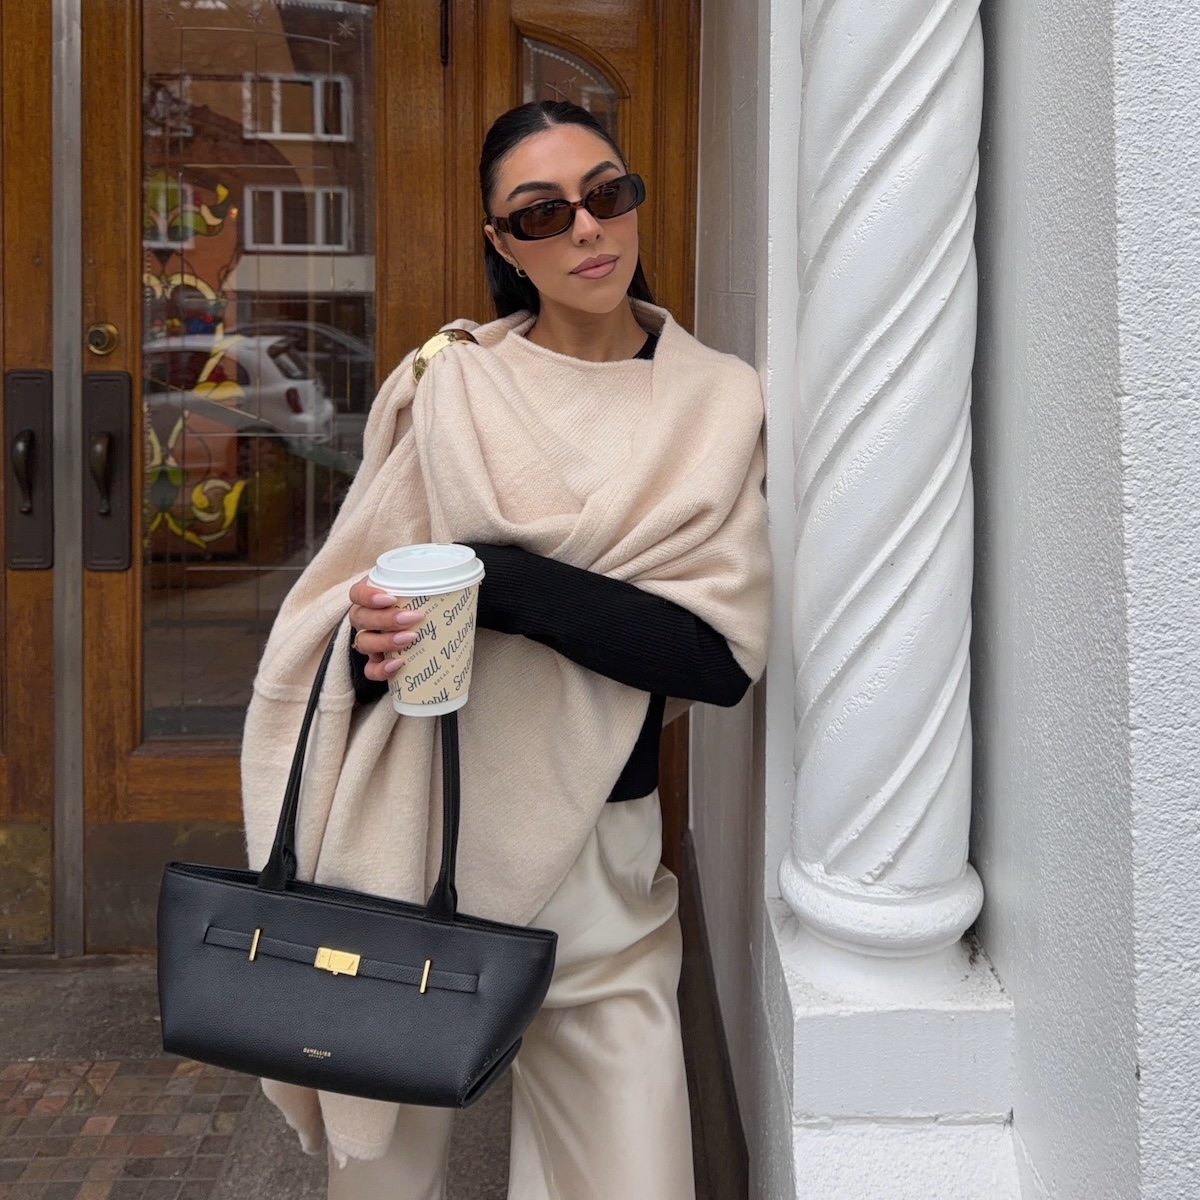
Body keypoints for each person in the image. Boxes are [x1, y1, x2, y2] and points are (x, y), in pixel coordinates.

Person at [240, 100, 771, 1200]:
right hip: (421, 836)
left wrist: (506, 582)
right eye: (542, 212)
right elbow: (333, 616)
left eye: (607, 193)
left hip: (604, 865)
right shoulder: (453, 384)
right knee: (382, 1177)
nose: (587, 229)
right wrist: (365, 641)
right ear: (501, 243)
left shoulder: (718, 401)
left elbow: (718, 660)